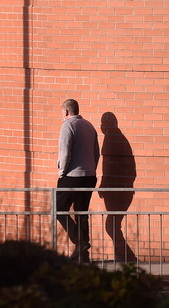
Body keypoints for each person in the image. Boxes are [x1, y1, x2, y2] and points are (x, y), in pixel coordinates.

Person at [56, 99, 100, 262]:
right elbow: (96, 153)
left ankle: (80, 243)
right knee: (81, 212)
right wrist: (92, 169)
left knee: (58, 208)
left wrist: (61, 172)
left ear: (66, 111)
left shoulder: (68, 125)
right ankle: (82, 254)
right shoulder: (89, 126)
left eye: (62, 112)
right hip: (89, 176)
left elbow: (65, 152)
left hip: (72, 176)